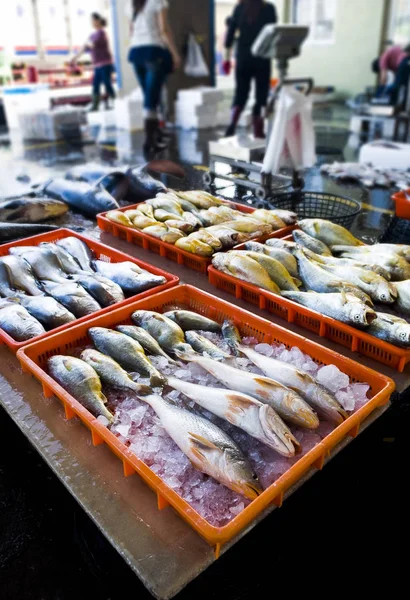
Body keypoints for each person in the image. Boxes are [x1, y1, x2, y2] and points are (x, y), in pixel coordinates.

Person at [128, 0, 181, 154]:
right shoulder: (159, 2)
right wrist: (175, 54)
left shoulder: (131, 4)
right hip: (153, 52)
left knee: (150, 96)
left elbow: (131, 31)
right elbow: (164, 30)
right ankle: (149, 143)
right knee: (151, 99)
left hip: (136, 54)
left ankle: (156, 134)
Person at [223, 0, 277, 138]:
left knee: (240, 94)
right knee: (261, 96)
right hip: (262, 57)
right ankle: (258, 132)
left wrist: (226, 59)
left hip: (243, 57)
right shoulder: (269, 8)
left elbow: (229, 37)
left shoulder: (239, 8)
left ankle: (232, 125)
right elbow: (274, 33)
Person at [72, 13, 115, 111]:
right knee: (95, 84)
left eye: (93, 20)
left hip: (105, 64)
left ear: (99, 21)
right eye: (91, 21)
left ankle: (114, 101)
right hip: (97, 65)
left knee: (107, 83)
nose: (92, 23)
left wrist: (87, 44)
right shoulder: (92, 34)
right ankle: (95, 105)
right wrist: (75, 58)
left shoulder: (102, 33)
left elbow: (92, 45)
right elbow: (84, 47)